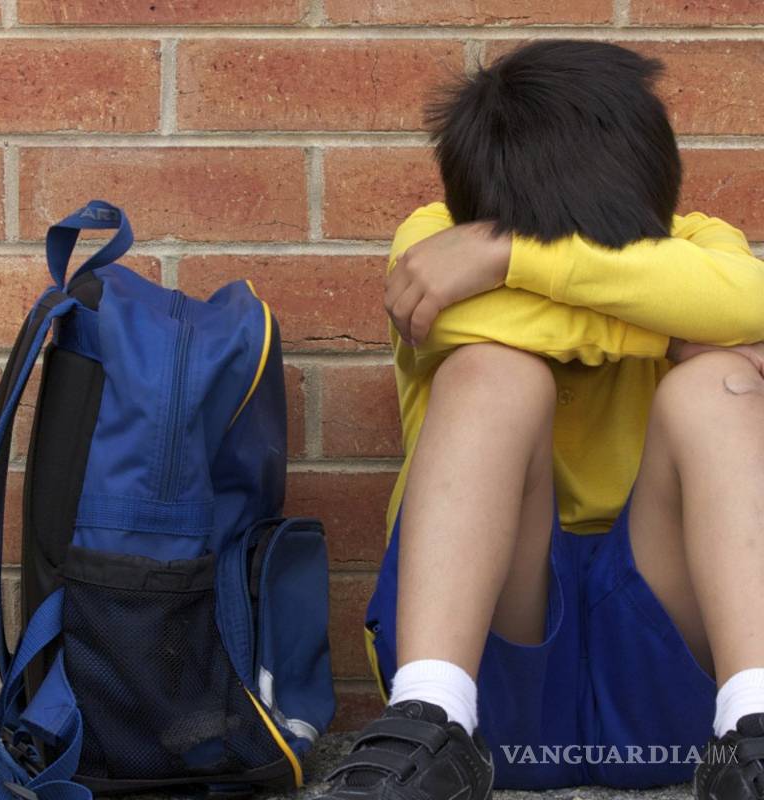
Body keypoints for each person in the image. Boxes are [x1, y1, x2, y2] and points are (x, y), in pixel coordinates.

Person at [317, 40, 764, 800]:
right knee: (493, 370)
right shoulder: (431, 243)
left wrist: (515, 254)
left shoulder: (700, 244)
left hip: (680, 691)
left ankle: (755, 716)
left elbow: (750, 303)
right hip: (495, 683)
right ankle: (429, 712)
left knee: (720, 386)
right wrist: (664, 329)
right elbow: (446, 323)